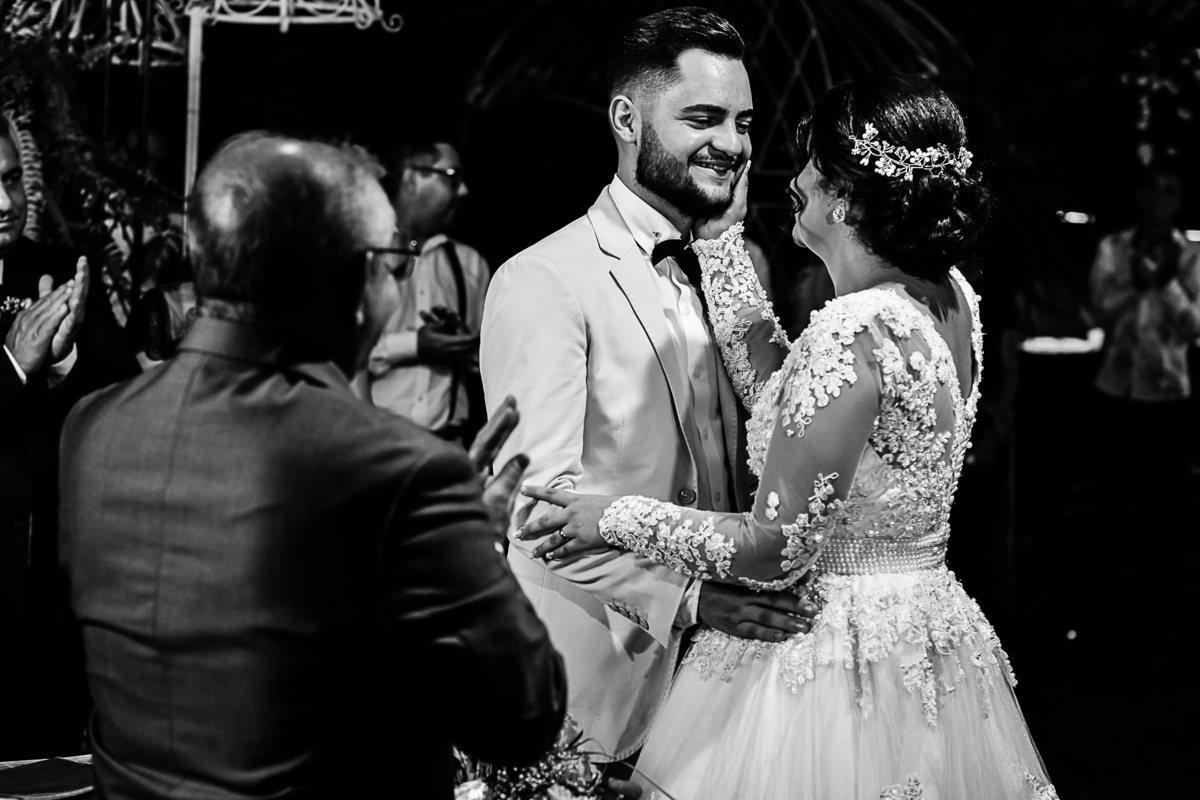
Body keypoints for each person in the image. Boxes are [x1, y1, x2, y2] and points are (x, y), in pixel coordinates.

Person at [521, 75, 1058, 799]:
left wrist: (610, 516)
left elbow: (772, 548)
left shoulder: (854, 328)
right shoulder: (950, 295)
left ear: (845, 197)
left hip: (830, 655)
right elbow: (791, 400)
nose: (791, 180)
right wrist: (722, 248)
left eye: (809, 165)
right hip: (920, 630)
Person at [58, 134, 566, 800]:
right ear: (357, 283)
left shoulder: (94, 425)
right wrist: (476, 549)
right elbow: (521, 719)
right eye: (393, 264)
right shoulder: (400, 469)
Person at [480, 6, 816, 767]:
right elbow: (536, 506)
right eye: (703, 118)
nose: (733, 145)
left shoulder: (730, 273)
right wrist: (691, 599)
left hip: (724, 687)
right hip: (597, 678)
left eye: (742, 122)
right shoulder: (544, 279)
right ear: (627, 120)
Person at [0, 128, 137, 757]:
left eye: (11, 179)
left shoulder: (63, 269)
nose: (5, 202)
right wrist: (12, 366)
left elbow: (122, 395)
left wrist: (63, 360)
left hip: (54, 599)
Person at [1089, 165, 1200, 538]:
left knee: (1164, 500)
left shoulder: (1192, 256)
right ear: (1138, 194)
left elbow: (1195, 326)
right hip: (1116, 386)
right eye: (1153, 188)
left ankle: (1162, 573)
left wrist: (1168, 286)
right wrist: (1134, 288)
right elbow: (1098, 310)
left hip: (1168, 389)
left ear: (1179, 200)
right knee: (1111, 495)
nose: (1159, 198)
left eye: (1169, 190)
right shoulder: (1114, 247)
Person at [368, 138, 489, 444]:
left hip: (449, 446)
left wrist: (465, 344)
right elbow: (335, 352)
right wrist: (415, 345)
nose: (463, 191)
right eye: (452, 177)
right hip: (375, 443)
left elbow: (485, 367)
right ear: (411, 179)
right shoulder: (367, 253)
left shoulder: (470, 264)